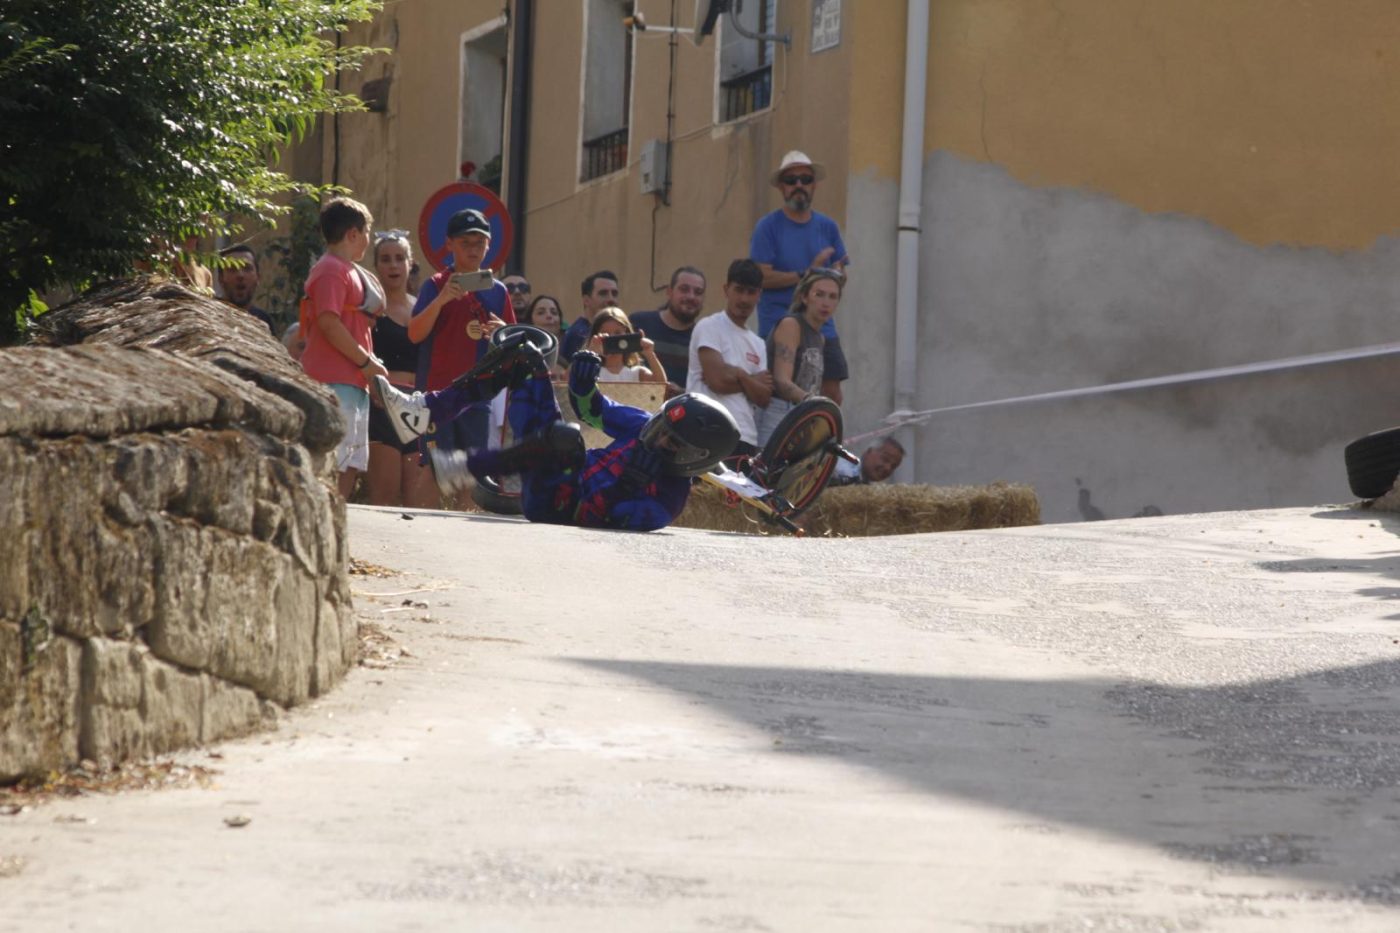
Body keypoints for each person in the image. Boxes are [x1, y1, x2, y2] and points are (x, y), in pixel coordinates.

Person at [373, 337, 740, 531]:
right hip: (553, 464)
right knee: (523, 354)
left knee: (566, 438)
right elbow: (592, 409)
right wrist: (582, 381)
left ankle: (465, 467)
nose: (658, 438)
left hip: (559, 507)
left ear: (694, 459)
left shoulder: (664, 503)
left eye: (672, 442)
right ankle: (424, 411)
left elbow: (584, 520)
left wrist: (625, 486)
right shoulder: (645, 426)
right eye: (663, 427)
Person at [407, 208, 514, 506]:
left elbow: (510, 346)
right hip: (436, 395)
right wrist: (442, 300)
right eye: (465, 242)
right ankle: (418, 537)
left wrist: (501, 331)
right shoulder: (435, 285)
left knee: (470, 472)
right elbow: (415, 334)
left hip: (477, 396)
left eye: (479, 242)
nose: (473, 249)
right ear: (450, 245)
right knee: (432, 468)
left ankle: (461, 544)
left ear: (489, 245)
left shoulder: (498, 291)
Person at [298, 196, 388, 498]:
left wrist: (368, 368)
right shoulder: (331, 270)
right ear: (352, 233)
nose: (368, 241)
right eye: (366, 233)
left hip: (352, 382)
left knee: (350, 463)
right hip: (333, 381)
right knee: (334, 462)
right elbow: (329, 323)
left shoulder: (346, 270)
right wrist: (366, 363)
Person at [749, 150, 851, 403]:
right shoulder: (768, 226)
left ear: (814, 185)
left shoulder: (828, 226)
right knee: (780, 394)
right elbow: (760, 277)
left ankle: (826, 440)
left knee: (832, 394)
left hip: (822, 328)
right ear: (782, 187)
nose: (798, 186)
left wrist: (833, 275)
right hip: (778, 324)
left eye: (805, 179)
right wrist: (807, 274)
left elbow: (841, 273)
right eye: (791, 180)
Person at [365, 231, 437, 509]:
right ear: (377, 266)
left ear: (410, 263)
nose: (393, 266)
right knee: (384, 498)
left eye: (399, 258)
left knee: (417, 502)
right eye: (385, 259)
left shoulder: (423, 308)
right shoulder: (370, 310)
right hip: (381, 405)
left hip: (418, 405)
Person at [686, 259, 773, 456]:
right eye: (739, 290)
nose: (744, 299)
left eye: (751, 292)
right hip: (707, 430)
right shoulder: (709, 326)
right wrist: (748, 378)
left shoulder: (758, 344)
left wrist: (736, 374)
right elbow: (717, 381)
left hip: (746, 437)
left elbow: (764, 398)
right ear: (726, 290)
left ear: (759, 294)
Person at [755, 268, 844, 446]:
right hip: (779, 411)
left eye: (832, 297)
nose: (825, 303)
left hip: (803, 416)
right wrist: (815, 403)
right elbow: (782, 381)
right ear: (804, 297)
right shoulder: (791, 325)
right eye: (819, 294)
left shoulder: (820, 338)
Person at [630, 266, 705, 398]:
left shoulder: (705, 340)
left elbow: (708, 390)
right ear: (669, 292)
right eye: (684, 289)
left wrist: (681, 393)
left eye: (698, 292)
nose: (691, 296)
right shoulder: (638, 324)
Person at [587, 307, 666, 384]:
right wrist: (590, 355)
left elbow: (661, 386)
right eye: (606, 334)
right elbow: (579, 385)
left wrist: (650, 354)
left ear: (627, 334)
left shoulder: (636, 373)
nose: (612, 338)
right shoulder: (592, 373)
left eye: (617, 333)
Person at [560, 270, 620, 362]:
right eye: (603, 293)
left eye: (614, 294)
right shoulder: (579, 334)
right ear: (586, 300)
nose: (611, 299)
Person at [216, 244, 274, 333]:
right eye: (232, 269)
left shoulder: (264, 322)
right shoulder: (208, 317)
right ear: (221, 278)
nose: (240, 275)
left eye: (247, 268)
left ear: (258, 277)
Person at [523, 294, 569, 378]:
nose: (549, 316)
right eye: (541, 313)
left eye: (554, 313)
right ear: (530, 322)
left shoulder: (569, 354)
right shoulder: (521, 358)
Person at [830, 437, 906, 486]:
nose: (888, 468)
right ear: (869, 451)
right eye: (885, 459)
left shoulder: (867, 486)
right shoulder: (838, 470)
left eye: (893, 466)